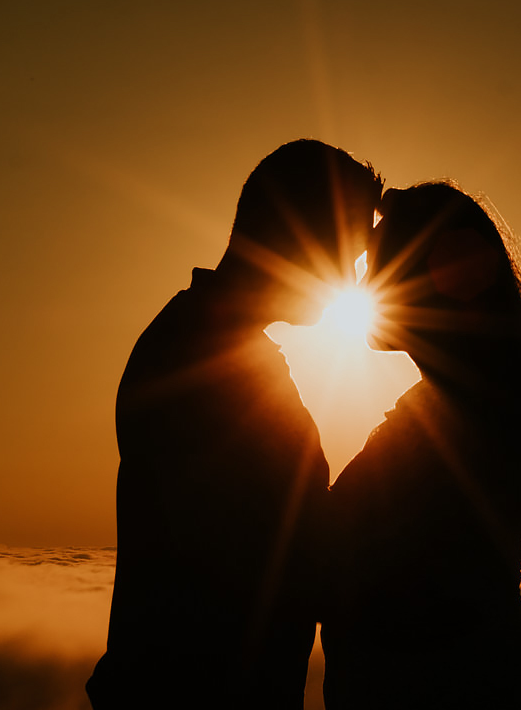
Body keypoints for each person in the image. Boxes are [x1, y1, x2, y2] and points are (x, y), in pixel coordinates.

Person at [87, 140, 383, 709]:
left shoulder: (212, 345)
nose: (352, 278)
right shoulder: (204, 361)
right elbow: (262, 558)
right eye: (349, 254)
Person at [322, 182, 521, 709]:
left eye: (380, 261)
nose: (362, 280)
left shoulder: (454, 430)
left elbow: (381, 595)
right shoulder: (455, 413)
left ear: (438, 278)